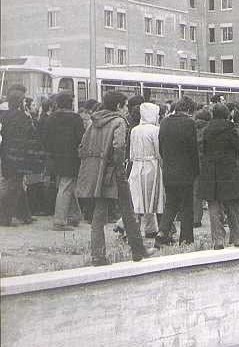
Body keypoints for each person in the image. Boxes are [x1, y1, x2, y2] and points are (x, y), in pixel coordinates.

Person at [75, 91, 156, 265]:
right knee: (128, 210)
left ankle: (98, 256)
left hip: (96, 172)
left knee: (99, 215)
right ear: (118, 106)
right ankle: (138, 250)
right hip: (114, 172)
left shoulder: (92, 122)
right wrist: (118, 165)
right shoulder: (119, 121)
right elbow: (119, 146)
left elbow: (81, 147)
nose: (127, 109)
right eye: (125, 105)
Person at [198, 104, 239, 249]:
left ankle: (218, 240)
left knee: (214, 206)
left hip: (210, 172)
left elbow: (203, 150)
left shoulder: (207, 130)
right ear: (227, 114)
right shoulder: (230, 129)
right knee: (233, 205)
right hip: (228, 170)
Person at [155, 97, 199, 247]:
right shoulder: (189, 123)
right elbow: (193, 150)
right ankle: (186, 239)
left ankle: (162, 230)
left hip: (168, 170)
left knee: (171, 204)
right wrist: (195, 171)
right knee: (187, 206)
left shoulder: (164, 122)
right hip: (186, 171)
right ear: (188, 110)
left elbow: (160, 147)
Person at [41, 92, 84, 231]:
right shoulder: (76, 118)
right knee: (66, 186)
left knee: (66, 185)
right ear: (70, 103)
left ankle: (74, 216)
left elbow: (45, 138)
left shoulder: (51, 118)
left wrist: (51, 152)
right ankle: (59, 221)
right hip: (72, 157)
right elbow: (81, 138)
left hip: (55, 156)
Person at [0, 86, 38, 226]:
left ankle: (25, 215)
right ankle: (4, 217)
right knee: (13, 186)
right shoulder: (23, 117)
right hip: (19, 155)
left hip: (6, 153)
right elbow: (31, 135)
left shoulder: (4, 116)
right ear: (20, 102)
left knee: (17, 185)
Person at [127, 102, 164, 238]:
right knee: (151, 197)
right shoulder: (155, 130)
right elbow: (158, 151)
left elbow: (131, 153)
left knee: (137, 198)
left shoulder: (135, 130)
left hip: (137, 165)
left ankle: (132, 229)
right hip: (151, 165)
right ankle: (150, 227)